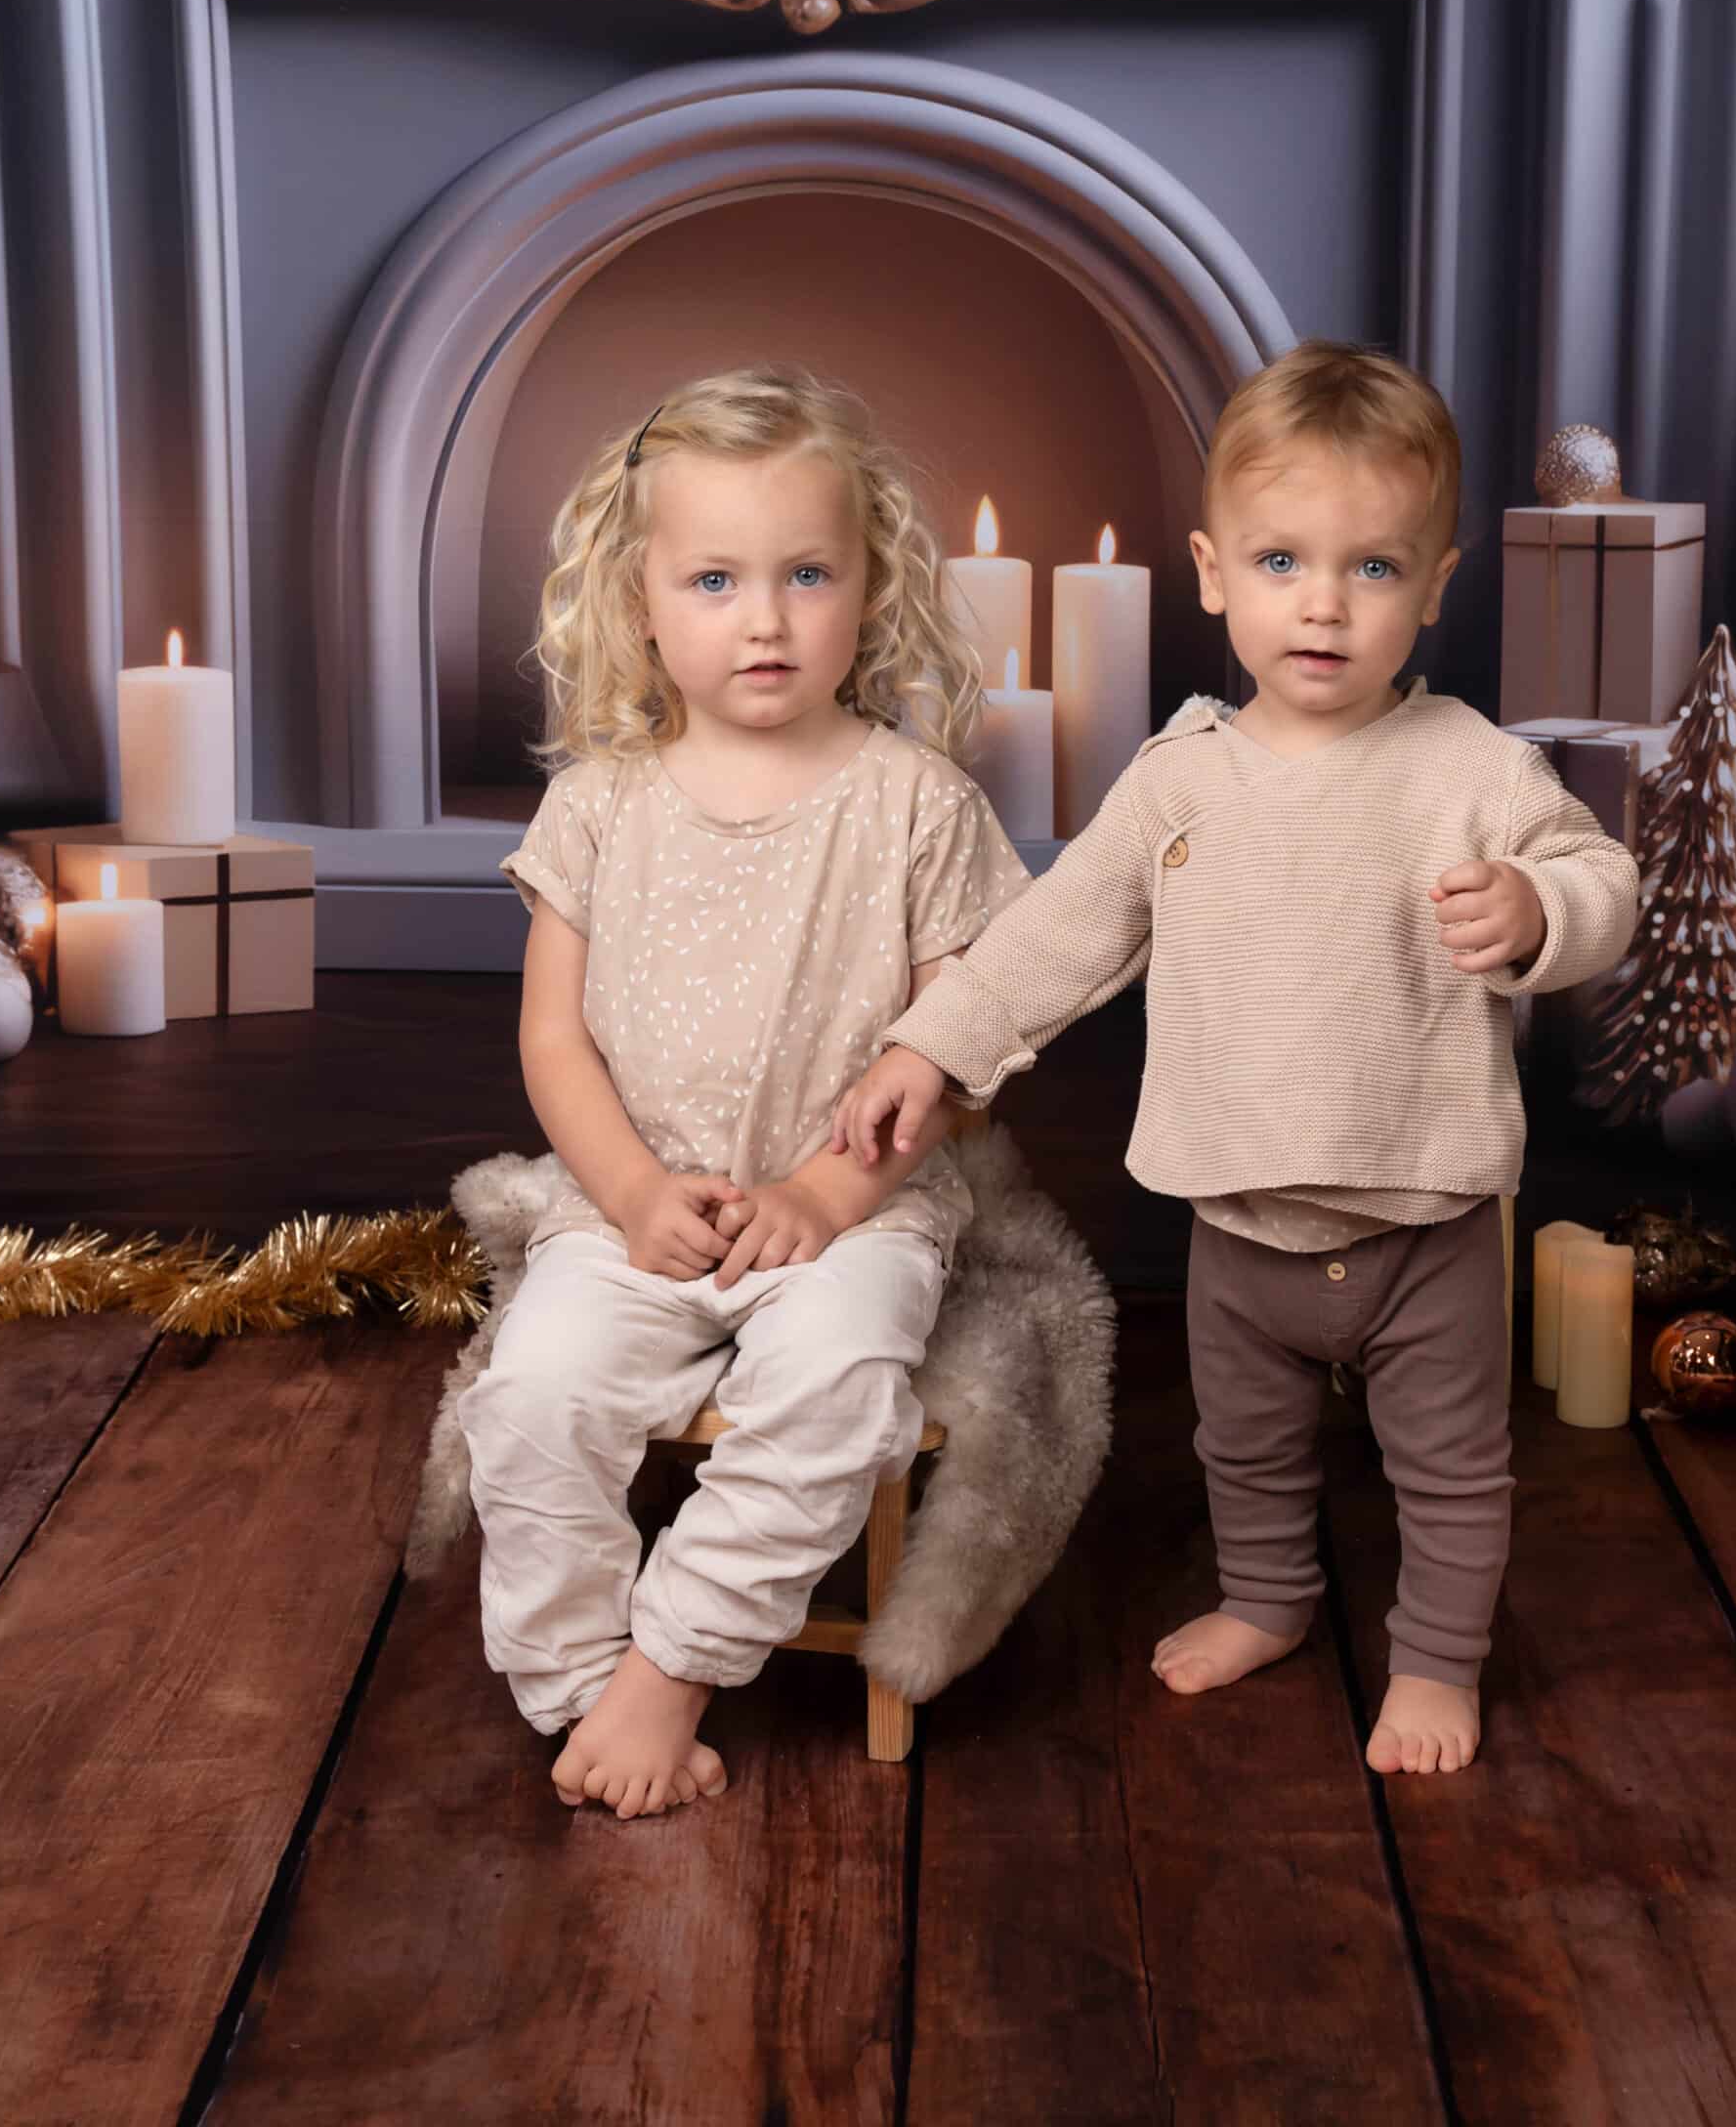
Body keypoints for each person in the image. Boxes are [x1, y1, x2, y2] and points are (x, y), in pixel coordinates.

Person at [834, 341, 1638, 1777]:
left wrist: (1538, 913)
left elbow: (1603, 881)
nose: (1322, 602)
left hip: (1424, 1214)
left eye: (1373, 569)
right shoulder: (1181, 779)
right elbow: (1048, 941)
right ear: (1212, 572)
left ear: (1436, 587)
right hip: (1239, 1220)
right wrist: (930, 1049)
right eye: (1282, 560)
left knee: (1451, 1468)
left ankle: (1440, 1663)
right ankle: (1270, 1601)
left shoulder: (1469, 766)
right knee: (1245, 1449)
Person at [461, 364, 1029, 1817]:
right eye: (716, 578)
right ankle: (578, 1683)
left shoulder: (916, 804)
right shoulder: (600, 800)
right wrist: (635, 1192)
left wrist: (828, 1193)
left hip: (849, 1212)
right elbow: (553, 1045)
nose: (765, 618)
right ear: (641, 600)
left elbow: (955, 1052)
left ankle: (678, 1663)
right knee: (527, 1398)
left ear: (870, 587)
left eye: (806, 574)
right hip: (631, 1203)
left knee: (838, 1391)